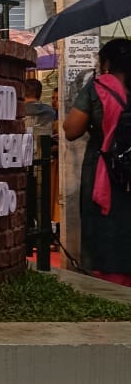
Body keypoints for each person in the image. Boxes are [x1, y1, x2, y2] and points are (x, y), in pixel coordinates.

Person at [63, 38, 131, 286]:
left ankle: (110, 284)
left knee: (106, 228)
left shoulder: (98, 87)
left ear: (107, 62)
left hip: (106, 172)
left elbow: (71, 129)